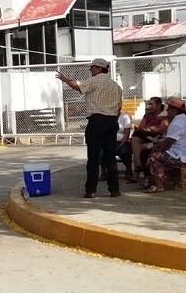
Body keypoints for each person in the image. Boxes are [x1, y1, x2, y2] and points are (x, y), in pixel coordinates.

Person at [57, 58, 123, 198]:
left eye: (92, 67)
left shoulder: (95, 80)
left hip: (97, 120)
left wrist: (65, 79)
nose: (90, 70)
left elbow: (78, 87)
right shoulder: (115, 85)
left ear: (99, 68)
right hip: (112, 121)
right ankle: (114, 189)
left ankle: (91, 190)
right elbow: (119, 107)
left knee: (93, 157)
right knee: (110, 157)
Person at [142, 98, 186, 193]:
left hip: (182, 158)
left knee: (154, 157)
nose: (167, 111)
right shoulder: (183, 119)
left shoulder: (177, 123)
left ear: (175, 110)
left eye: (168, 109)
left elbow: (167, 143)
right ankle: (158, 182)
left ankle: (158, 185)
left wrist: (156, 149)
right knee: (157, 156)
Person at [127, 97, 168, 183]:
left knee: (137, 148)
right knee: (135, 139)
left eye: (151, 104)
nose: (149, 106)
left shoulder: (163, 116)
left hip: (157, 139)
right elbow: (141, 127)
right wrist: (149, 129)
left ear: (158, 105)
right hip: (146, 137)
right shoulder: (147, 115)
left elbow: (160, 130)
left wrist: (148, 129)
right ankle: (139, 166)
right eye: (148, 104)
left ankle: (137, 172)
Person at [100, 107, 133, 181]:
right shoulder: (107, 118)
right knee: (102, 153)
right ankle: (103, 173)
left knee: (124, 153)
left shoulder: (124, 117)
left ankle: (129, 170)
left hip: (122, 142)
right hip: (109, 142)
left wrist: (120, 145)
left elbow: (126, 134)